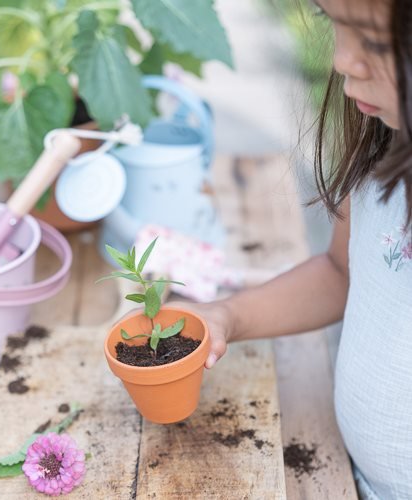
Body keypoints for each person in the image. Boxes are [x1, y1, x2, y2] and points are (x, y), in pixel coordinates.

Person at [179, 0, 412, 498]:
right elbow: (339, 272)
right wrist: (227, 316)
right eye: (335, 24)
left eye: (372, 40)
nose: (342, 60)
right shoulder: (385, 156)